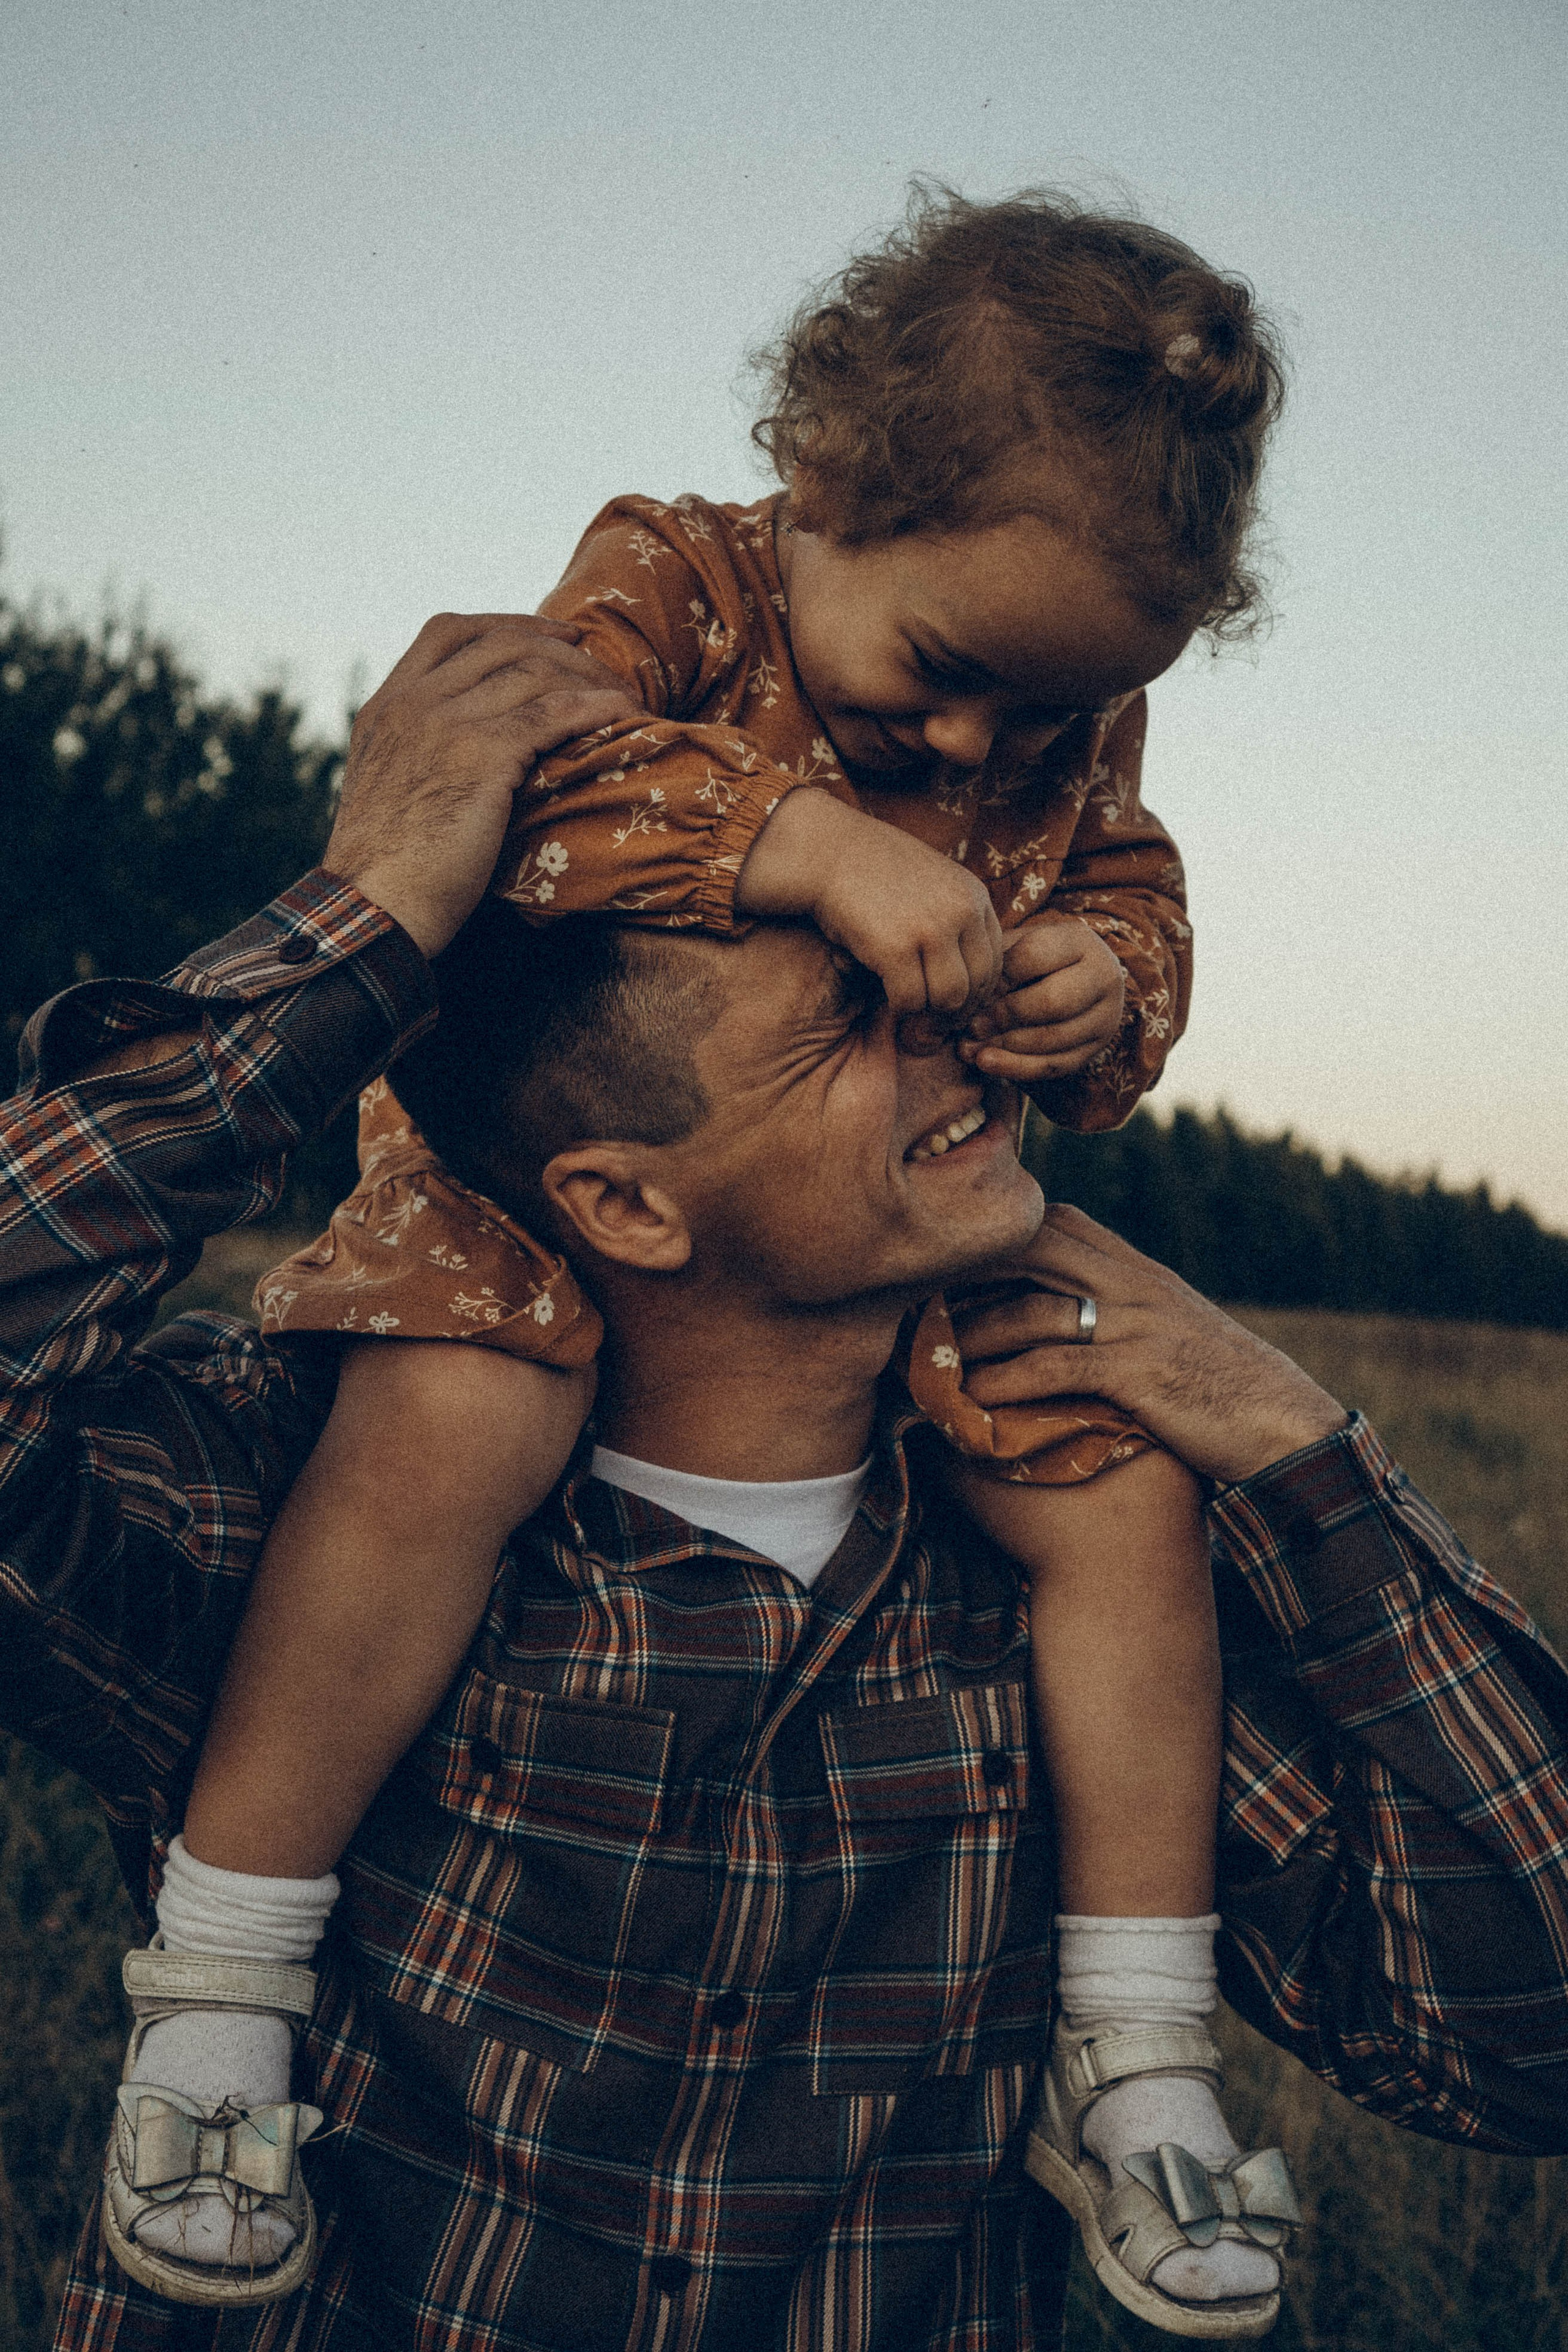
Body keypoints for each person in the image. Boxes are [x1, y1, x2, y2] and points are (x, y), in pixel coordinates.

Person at [122, 189, 1291, 2326]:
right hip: (525, 1192)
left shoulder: (1051, 717)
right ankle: (220, 1983)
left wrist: (1104, 986)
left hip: (871, 1228)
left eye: (1045, 724)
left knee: (1113, 1477)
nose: (977, 761)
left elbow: (1137, 881)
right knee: (460, 1409)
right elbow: (530, 788)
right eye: (943, 681)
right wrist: (799, 837)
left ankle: (1133, 2040)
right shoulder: (678, 570)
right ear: (826, 489)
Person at [4, 816, 1568, 2352]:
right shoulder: (318, 1505)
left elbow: (1524, 2047)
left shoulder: (1088, 1584)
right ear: (625, 1202)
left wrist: (1295, 1444)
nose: (959, 1025)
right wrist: (366, 921)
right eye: (848, 1023)